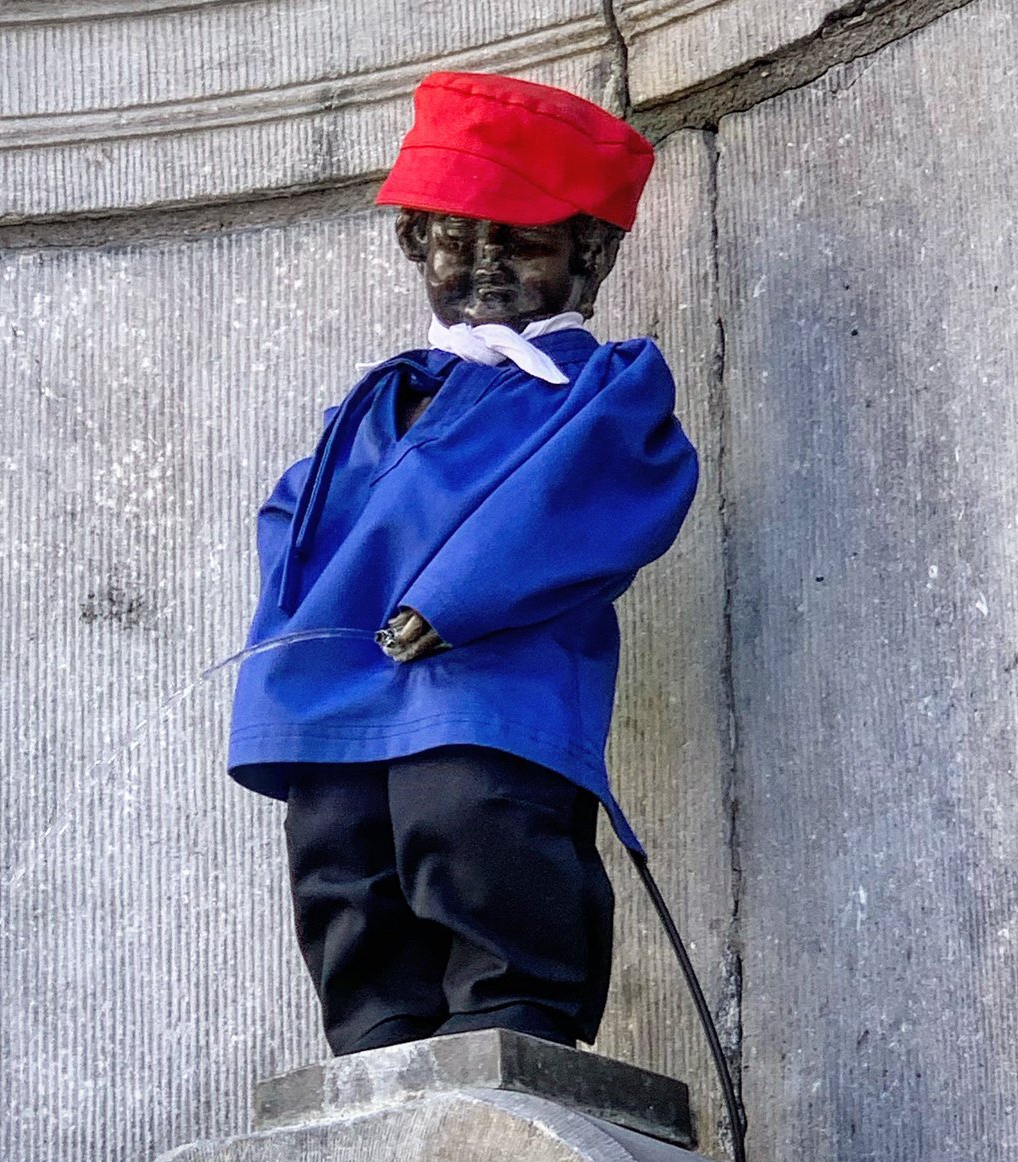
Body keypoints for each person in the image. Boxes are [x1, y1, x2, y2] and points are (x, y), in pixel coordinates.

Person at [229, 71, 699, 1057]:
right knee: (339, 842)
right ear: (415, 245)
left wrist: (455, 598)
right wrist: (296, 609)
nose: (484, 268)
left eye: (521, 242)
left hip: (491, 674)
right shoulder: (381, 397)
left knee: (475, 816)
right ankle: (377, 1033)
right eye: (455, 240)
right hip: (343, 674)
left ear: (593, 254)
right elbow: (298, 505)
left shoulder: (600, 390)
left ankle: (512, 1014)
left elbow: (591, 497)